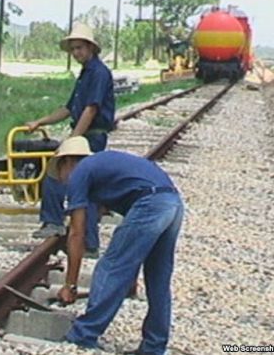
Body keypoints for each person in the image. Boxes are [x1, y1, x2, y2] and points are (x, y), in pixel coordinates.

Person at [49, 137, 184, 355]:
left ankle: (83, 335)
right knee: (158, 278)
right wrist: (129, 277)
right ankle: (154, 347)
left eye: (60, 171)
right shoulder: (101, 168)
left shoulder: (80, 173)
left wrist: (70, 285)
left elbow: (76, 233)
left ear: (68, 162)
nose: (62, 180)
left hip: (151, 204)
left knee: (111, 267)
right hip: (173, 202)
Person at [27, 22, 115, 257]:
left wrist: (73, 141)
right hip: (85, 135)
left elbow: (91, 109)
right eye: (73, 49)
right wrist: (40, 122)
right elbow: (69, 109)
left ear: (90, 48)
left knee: (61, 176)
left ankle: (62, 227)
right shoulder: (86, 73)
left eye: (79, 48)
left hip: (91, 137)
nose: (76, 53)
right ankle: (82, 238)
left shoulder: (98, 72)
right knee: (81, 185)